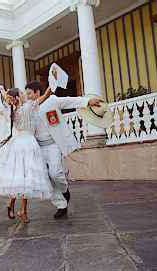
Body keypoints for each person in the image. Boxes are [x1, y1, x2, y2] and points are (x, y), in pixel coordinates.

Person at [25, 80, 101, 219]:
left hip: (53, 145)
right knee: (46, 177)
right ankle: (61, 205)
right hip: (38, 148)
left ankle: (64, 190)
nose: (27, 96)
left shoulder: (51, 101)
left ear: (37, 92)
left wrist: (88, 101)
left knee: (55, 173)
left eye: (29, 93)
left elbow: (69, 101)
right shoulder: (28, 108)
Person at [0, 87, 53, 223]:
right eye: (22, 93)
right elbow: (45, 96)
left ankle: (15, 205)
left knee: (19, 178)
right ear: (18, 97)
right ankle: (22, 210)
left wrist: (5, 94)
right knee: (25, 178)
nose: (24, 94)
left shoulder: (10, 111)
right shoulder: (27, 107)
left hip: (17, 144)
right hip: (28, 144)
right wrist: (51, 84)